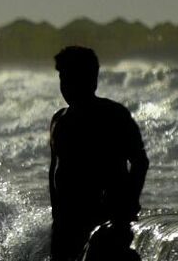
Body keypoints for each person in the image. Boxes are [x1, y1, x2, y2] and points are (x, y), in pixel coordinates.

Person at [48, 46, 149, 261]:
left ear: (91, 80)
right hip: (67, 222)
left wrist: (128, 203)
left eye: (71, 79)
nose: (65, 87)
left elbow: (140, 160)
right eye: (62, 79)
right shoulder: (59, 120)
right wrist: (56, 213)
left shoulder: (113, 115)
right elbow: (54, 169)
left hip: (105, 220)